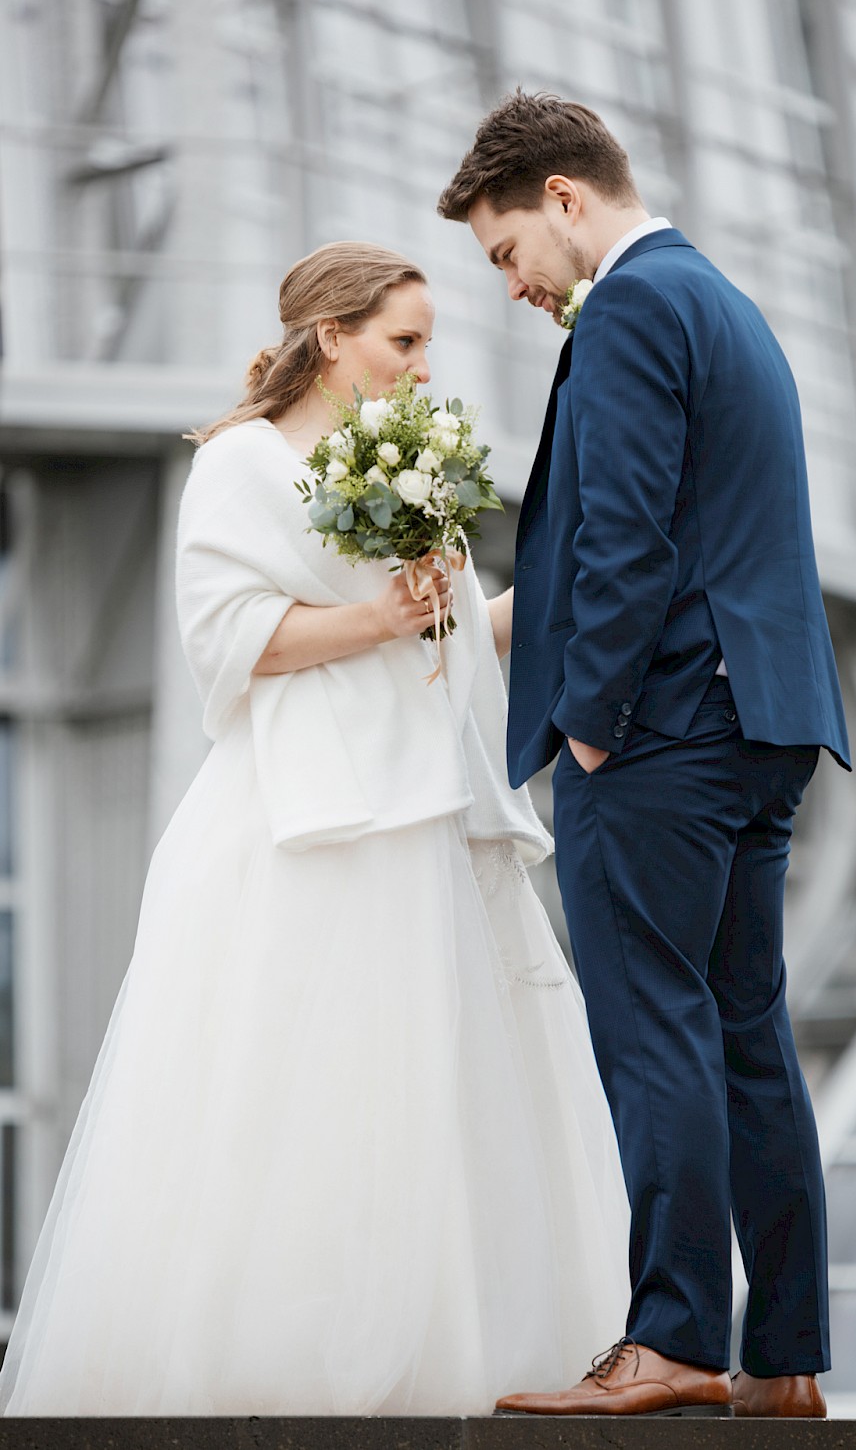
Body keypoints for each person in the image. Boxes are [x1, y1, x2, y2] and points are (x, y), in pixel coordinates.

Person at [0, 240, 630, 1416]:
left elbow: (442, 639)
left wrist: (541, 596)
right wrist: (390, 619)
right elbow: (236, 644)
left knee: (442, 1087)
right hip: (307, 814)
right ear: (331, 338)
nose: (422, 363)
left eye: (427, 341)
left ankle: (468, 1351)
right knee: (301, 1093)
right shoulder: (239, 463)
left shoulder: (418, 464)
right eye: (404, 341)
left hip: (426, 805)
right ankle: (291, 1365)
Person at [439, 91, 850, 1422]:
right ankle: (783, 1358)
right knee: (746, 1032)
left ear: (564, 198)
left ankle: (672, 1339)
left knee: (652, 1023)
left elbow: (622, 535)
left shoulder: (626, 310)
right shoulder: (722, 301)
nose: (511, 286)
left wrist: (590, 723)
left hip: (662, 730)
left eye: (506, 252)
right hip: (768, 717)